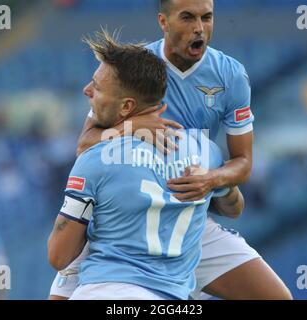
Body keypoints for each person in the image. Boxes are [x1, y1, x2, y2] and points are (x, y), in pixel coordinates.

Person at [51, 0, 292, 300]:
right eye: (188, 17)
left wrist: (211, 180)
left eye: (207, 17)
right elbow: (85, 145)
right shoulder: (135, 67)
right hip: (122, 217)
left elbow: (243, 164)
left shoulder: (231, 75)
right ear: (163, 22)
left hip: (187, 215)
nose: (199, 28)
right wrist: (131, 128)